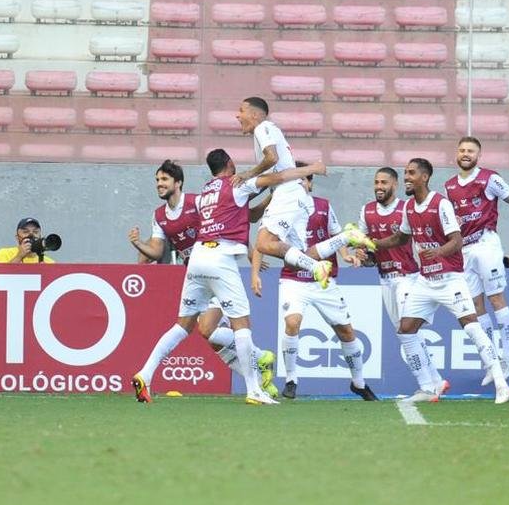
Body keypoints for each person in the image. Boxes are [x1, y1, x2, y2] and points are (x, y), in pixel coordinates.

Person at [131, 150, 324, 406]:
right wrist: (311, 168)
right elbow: (277, 177)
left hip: (197, 258)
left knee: (183, 326)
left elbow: (244, 215)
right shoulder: (237, 183)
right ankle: (254, 389)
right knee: (241, 325)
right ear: (231, 165)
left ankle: (145, 374)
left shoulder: (204, 194)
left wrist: (268, 201)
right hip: (221, 258)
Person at [370, 158, 509, 404]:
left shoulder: (441, 204)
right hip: (425, 282)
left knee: (471, 326)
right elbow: (399, 239)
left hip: (450, 280)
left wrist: (438, 252)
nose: (407, 178)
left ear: (424, 177)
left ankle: (502, 384)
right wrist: (370, 243)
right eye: (405, 173)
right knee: (405, 330)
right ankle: (429, 386)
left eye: (411, 173)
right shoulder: (409, 208)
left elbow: (457, 241)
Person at [253, 164, 377, 401]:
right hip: (294, 279)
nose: (299, 185)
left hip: (324, 280)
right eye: (295, 181)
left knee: (346, 331)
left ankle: (359, 383)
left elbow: (332, 232)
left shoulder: (322, 206)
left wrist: (345, 255)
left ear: (310, 183)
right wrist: (254, 274)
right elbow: (263, 242)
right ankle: (291, 380)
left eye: (303, 181)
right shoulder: (282, 207)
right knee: (292, 323)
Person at [232, 96, 374, 286]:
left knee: (264, 243)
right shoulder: (271, 131)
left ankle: (321, 264)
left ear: (255, 114)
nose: (237, 115)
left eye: (241, 111)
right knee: (297, 261)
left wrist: (248, 174)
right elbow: (271, 174)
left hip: (287, 193)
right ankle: (345, 237)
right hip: (293, 194)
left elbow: (272, 158)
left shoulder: (262, 127)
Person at [444, 136, 509, 385]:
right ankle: (492, 361)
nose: (466, 154)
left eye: (471, 151)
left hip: (486, 243)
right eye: (462, 150)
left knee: (495, 298)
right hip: (465, 249)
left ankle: (507, 356)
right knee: (475, 305)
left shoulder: (489, 178)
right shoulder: (449, 186)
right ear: (456, 154)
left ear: (478, 155)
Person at [356, 167, 447, 400]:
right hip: (385, 279)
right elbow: (365, 248)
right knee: (406, 334)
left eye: (384, 182)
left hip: (408, 277)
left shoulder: (406, 208)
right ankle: (436, 381)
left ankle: (427, 386)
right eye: (376, 182)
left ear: (394, 185)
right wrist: (360, 255)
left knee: (407, 332)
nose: (379, 186)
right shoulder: (366, 211)